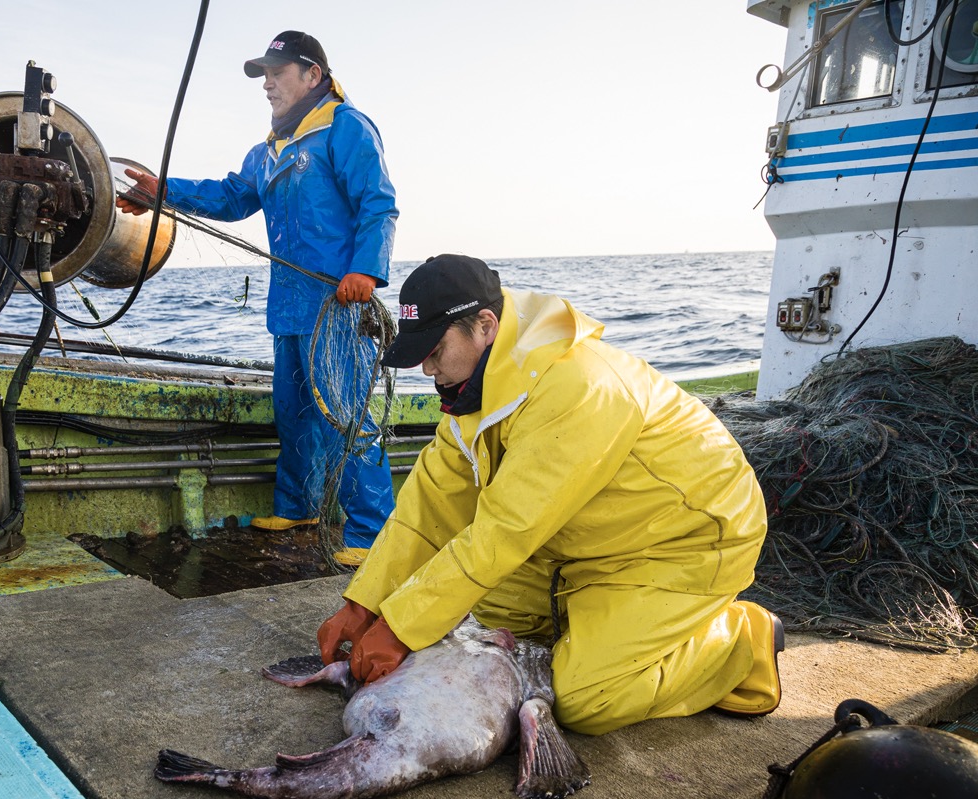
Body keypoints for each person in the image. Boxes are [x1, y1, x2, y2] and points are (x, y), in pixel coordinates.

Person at [316, 254, 781, 736]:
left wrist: (398, 627)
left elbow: (505, 533)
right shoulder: (476, 390)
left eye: (434, 351)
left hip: (682, 542)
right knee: (492, 616)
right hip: (586, 540)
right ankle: (604, 631)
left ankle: (740, 641)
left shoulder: (578, 386)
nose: (428, 370)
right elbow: (428, 507)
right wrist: (365, 603)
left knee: (587, 699)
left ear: (485, 326)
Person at [118, 30, 396, 567]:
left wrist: (366, 270)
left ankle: (372, 529)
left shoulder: (345, 128)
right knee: (292, 413)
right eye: (262, 75)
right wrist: (163, 193)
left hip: (339, 305)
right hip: (289, 306)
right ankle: (299, 506)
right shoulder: (266, 152)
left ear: (313, 74)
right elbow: (230, 196)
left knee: (348, 416)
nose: (267, 84)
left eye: (276, 71)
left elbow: (378, 205)